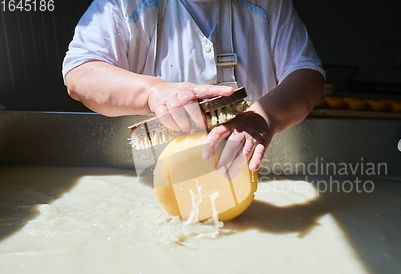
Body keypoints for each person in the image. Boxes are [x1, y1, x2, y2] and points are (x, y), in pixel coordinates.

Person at [63, 0, 325, 173]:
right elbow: (81, 75)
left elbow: (307, 74)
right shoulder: (122, 3)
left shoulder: (270, 4)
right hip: (153, 180)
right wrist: (153, 92)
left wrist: (264, 117)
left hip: (257, 175)